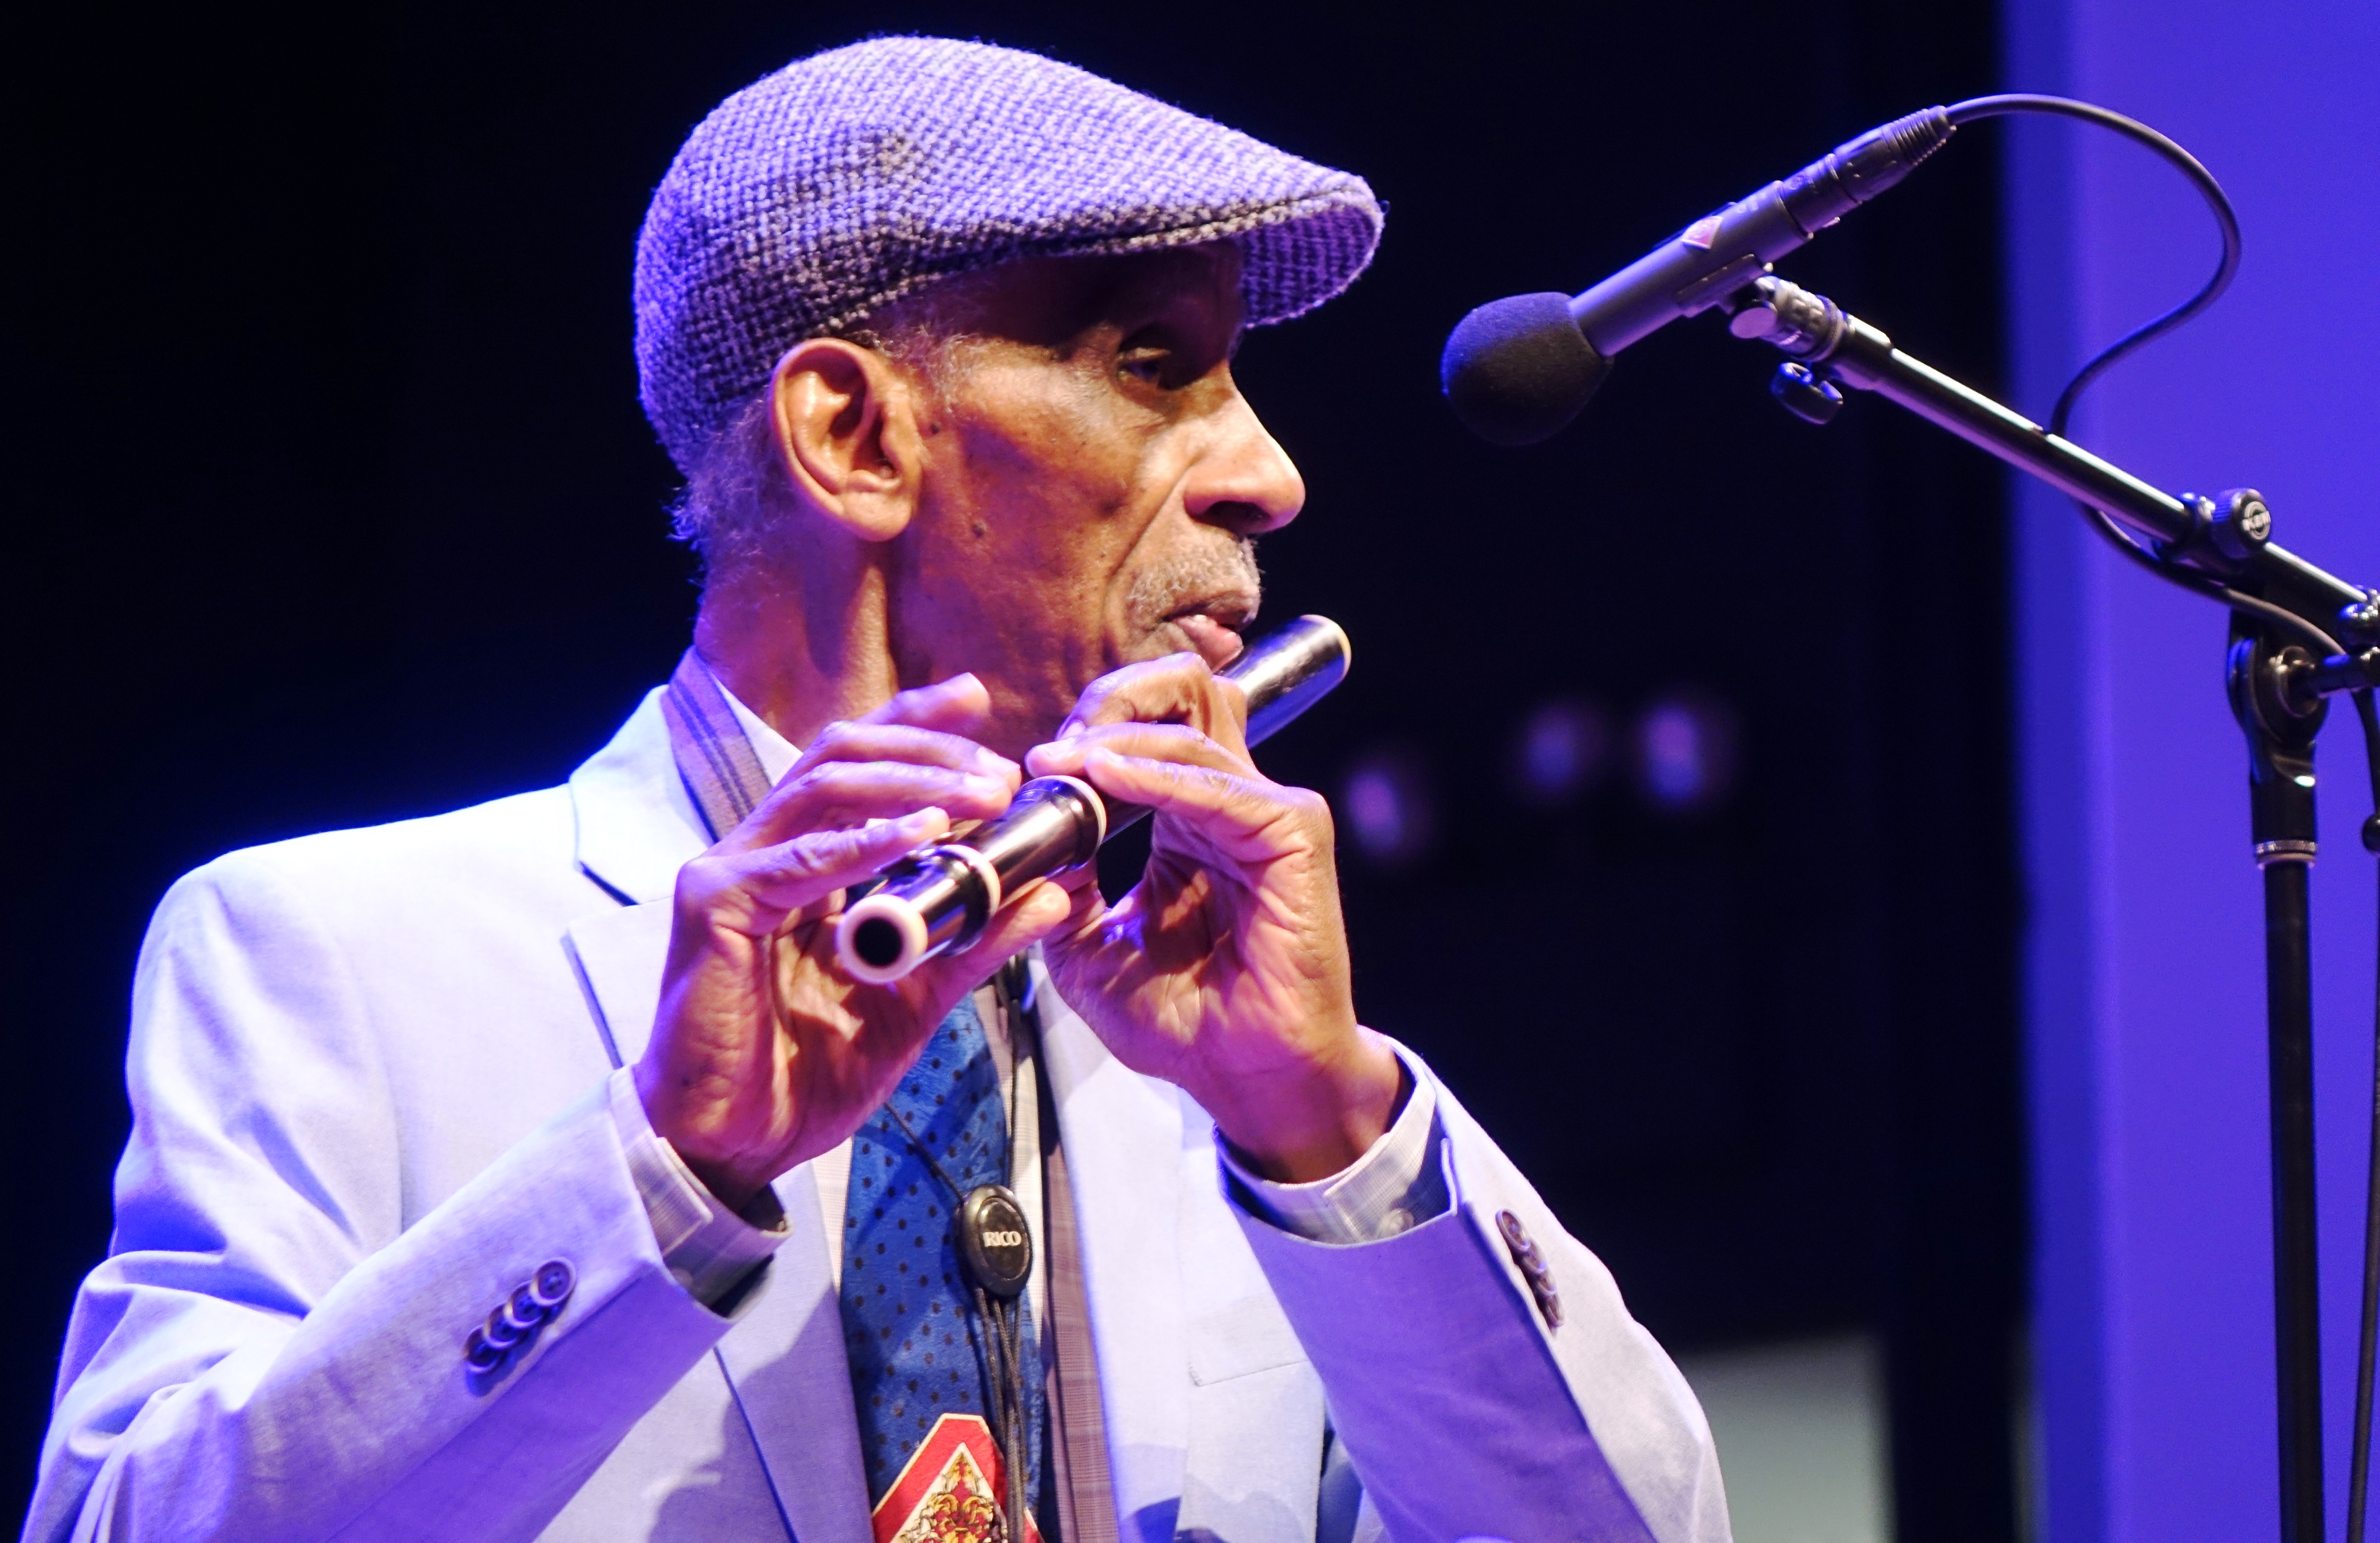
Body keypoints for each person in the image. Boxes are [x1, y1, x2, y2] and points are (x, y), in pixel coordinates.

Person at [25, 36, 1728, 1543]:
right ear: (853, 433)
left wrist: (1334, 1140)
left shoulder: (1228, 1041)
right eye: (1154, 365)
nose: (1270, 474)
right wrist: (660, 1175)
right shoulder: (338, 952)